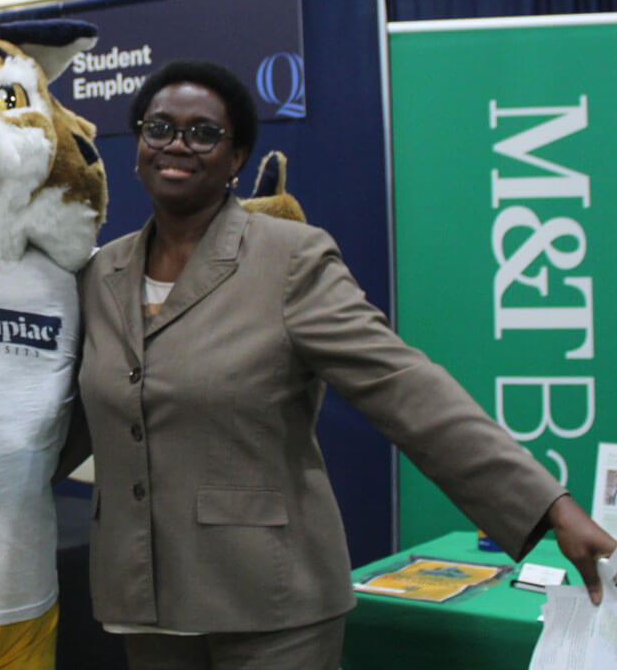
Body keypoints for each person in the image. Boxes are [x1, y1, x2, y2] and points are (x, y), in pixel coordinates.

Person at [69, 59, 616, 670]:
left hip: (272, 605)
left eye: (203, 133)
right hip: (144, 603)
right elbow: (61, 421)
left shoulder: (289, 260)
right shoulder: (100, 274)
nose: (176, 144)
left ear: (237, 157)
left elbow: (404, 387)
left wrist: (549, 506)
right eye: (159, 127)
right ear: (138, 142)